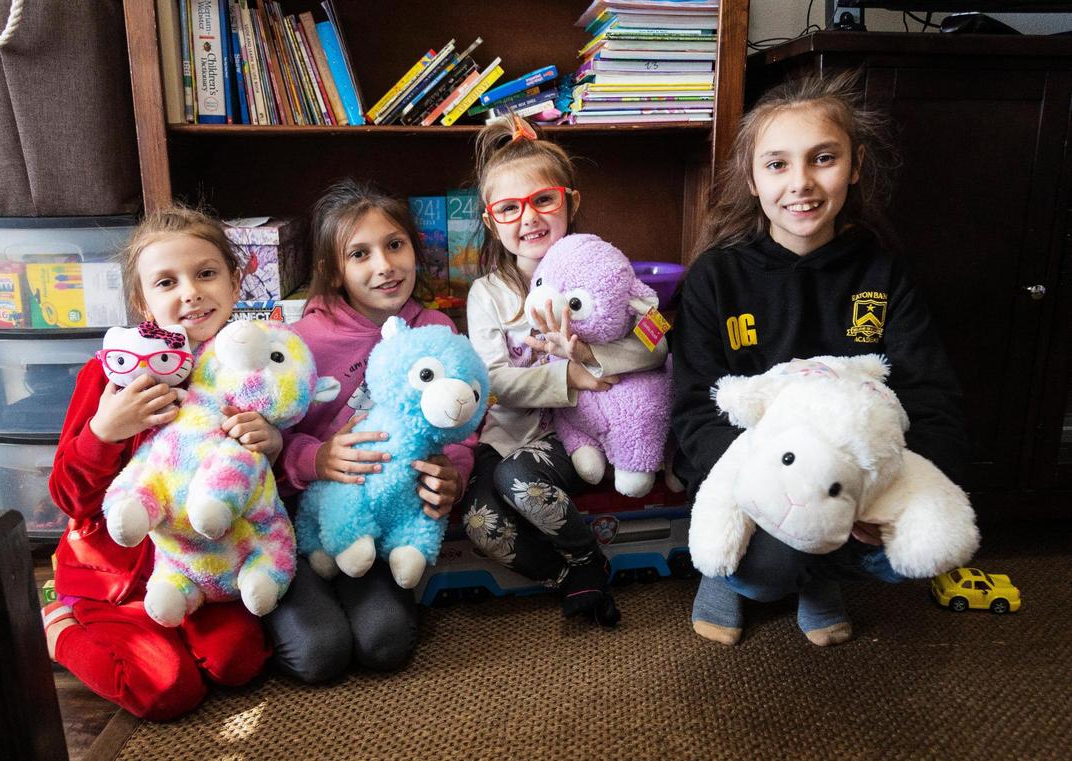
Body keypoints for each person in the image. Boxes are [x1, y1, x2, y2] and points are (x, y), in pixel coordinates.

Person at [671, 71, 968, 647]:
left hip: (851, 489)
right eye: (777, 164)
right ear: (752, 180)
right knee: (762, 571)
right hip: (755, 483)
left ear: (854, 167)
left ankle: (818, 576)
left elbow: (931, 396)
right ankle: (737, 578)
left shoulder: (883, 271)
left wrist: (887, 497)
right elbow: (692, 411)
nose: (801, 183)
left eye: (823, 158)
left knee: (913, 551)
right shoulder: (716, 276)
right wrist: (758, 490)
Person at [43, 206, 279, 720]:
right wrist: (106, 431)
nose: (190, 292)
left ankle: (177, 636)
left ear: (237, 284)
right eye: (167, 282)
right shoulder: (111, 377)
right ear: (142, 302)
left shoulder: (250, 368)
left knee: (238, 663)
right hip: (118, 582)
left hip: (204, 569)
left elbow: (262, 492)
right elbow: (69, 497)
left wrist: (273, 444)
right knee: (168, 691)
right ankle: (61, 626)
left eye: (206, 274)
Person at [462, 115, 669, 627]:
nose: (528, 218)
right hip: (506, 434)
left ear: (570, 202)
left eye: (543, 200)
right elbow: (491, 382)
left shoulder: (603, 265)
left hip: (578, 434)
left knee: (520, 482)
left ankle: (585, 562)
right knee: (479, 522)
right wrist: (567, 377)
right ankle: (570, 570)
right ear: (492, 222)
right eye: (509, 208)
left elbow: (657, 342)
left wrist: (590, 358)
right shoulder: (487, 293)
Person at [268, 178, 473, 682]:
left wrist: (455, 474)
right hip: (304, 526)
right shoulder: (300, 343)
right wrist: (313, 459)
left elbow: (462, 427)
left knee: (384, 645)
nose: (384, 265)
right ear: (332, 272)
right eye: (360, 254)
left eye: (395, 245)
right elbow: (267, 442)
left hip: (384, 528)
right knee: (320, 655)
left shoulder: (436, 332)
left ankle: (356, 593)